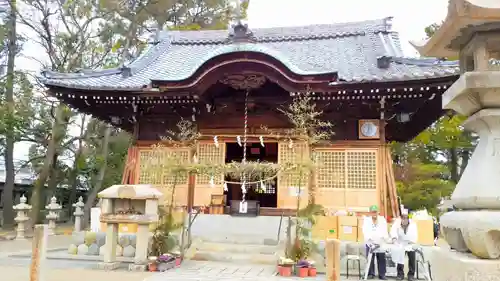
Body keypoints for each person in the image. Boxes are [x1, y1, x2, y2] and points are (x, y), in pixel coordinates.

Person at [390, 209, 418, 281]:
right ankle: (400, 274)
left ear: (408, 218)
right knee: (400, 259)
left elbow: (414, 235)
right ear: (401, 218)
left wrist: (411, 242)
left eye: (406, 218)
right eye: (403, 217)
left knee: (412, 258)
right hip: (400, 243)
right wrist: (394, 239)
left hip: (410, 243)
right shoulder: (397, 223)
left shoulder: (413, 224)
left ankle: (411, 275)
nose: (404, 219)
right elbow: (393, 231)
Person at [362, 205, 389, 280]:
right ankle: (371, 273)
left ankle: (382, 274)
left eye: (375, 212)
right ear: (370, 212)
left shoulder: (382, 219)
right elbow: (365, 231)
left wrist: (384, 239)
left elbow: (384, 230)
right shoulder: (367, 220)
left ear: (378, 212)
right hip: (370, 242)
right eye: (373, 212)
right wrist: (370, 240)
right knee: (370, 258)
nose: (374, 213)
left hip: (380, 242)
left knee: (381, 258)